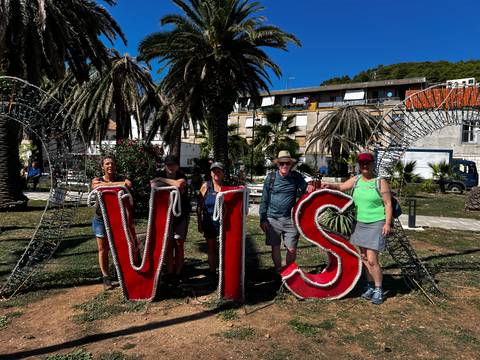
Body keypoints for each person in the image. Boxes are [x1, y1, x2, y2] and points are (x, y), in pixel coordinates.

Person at [321, 152, 392, 305]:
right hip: (359, 223)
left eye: (367, 163)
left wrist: (387, 223)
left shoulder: (380, 182)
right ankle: (370, 285)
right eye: (362, 163)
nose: (364, 166)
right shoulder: (357, 179)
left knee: (373, 259)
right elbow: (341, 187)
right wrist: (330, 185)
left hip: (376, 223)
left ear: (373, 164)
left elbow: (388, 204)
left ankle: (379, 288)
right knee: (364, 258)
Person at [259, 151, 314, 274]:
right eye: (282, 163)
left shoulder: (296, 177)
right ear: (278, 164)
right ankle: (279, 272)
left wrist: (310, 187)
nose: (284, 166)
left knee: (292, 249)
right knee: (275, 247)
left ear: (291, 164)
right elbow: (264, 199)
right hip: (272, 219)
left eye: (287, 163)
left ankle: (289, 273)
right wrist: (262, 219)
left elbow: (306, 189)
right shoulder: (271, 178)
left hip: (290, 219)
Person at [91, 156, 132, 290]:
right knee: (103, 249)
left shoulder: (121, 179)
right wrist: (118, 185)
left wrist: (117, 184)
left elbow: (129, 184)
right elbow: (96, 186)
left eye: (112, 164)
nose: (110, 166)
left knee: (119, 246)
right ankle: (106, 277)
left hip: (116, 219)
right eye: (107, 164)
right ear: (102, 167)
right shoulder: (97, 180)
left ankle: (121, 273)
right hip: (100, 220)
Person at [150, 155, 191, 283]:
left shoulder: (181, 175)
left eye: (173, 165)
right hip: (166, 216)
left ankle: (179, 272)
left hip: (180, 215)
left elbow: (179, 184)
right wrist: (167, 181)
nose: (171, 167)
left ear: (177, 166)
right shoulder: (159, 173)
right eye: (168, 165)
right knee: (168, 245)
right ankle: (170, 272)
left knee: (179, 244)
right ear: (165, 165)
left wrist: (162, 179)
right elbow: (153, 184)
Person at [197, 161, 224, 282]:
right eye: (214, 171)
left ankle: (224, 271)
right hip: (209, 221)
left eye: (219, 171)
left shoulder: (227, 187)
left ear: (223, 173)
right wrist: (199, 223)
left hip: (224, 223)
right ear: (211, 173)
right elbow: (199, 206)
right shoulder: (206, 186)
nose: (216, 173)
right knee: (212, 248)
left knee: (224, 248)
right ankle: (212, 272)